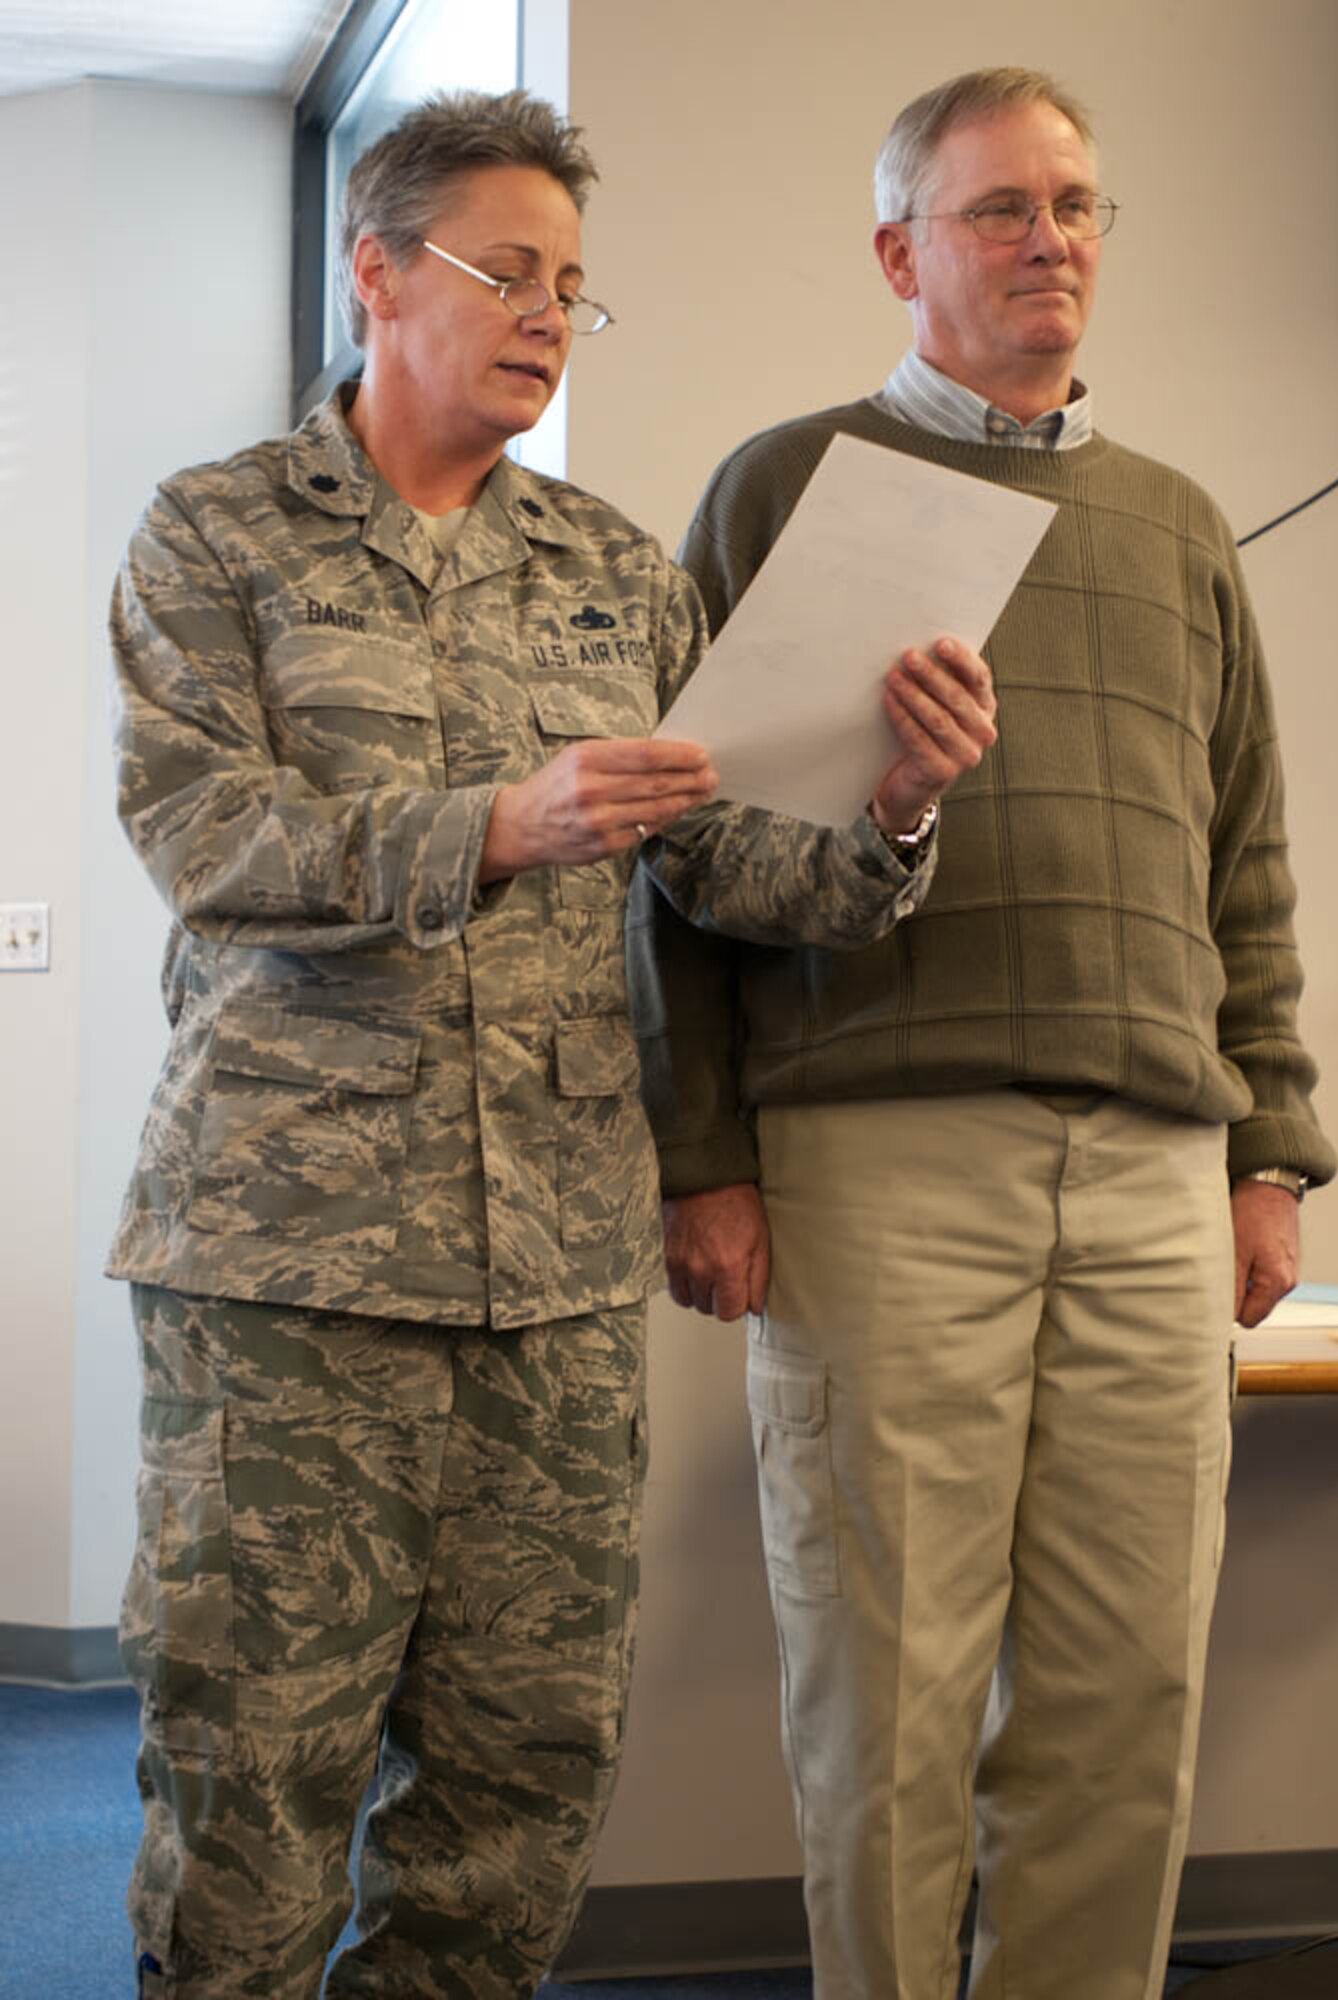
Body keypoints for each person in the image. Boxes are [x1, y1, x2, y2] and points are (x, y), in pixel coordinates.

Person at [107, 87, 997, 2000]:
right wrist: (495, 826)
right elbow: (203, 844)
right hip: (287, 1264)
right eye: (505, 271)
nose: (543, 313)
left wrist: (896, 806)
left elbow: (737, 868)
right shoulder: (215, 535)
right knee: (254, 1768)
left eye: (571, 289)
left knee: (521, 1780)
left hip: (553, 1282)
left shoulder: (611, 569)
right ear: (375, 273)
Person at [628, 65, 1336, 2000]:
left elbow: (1243, 862)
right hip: (875, 1154)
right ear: (899, 251)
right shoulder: (786, 488)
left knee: (1126, 1684)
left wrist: (1266, 1150)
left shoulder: (1179, 526)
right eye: (1003, 209)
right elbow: (674, 858)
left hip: (1150, 1170)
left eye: (1080, 206)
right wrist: (704, 1157)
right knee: (886, 1676)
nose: (1052, 243)